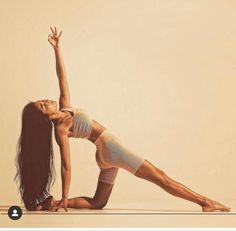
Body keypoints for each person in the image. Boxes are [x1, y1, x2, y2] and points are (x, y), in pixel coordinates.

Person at [15, 27, 230, 212]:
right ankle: (205, 202)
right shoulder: (61, 128)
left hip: (104, 153)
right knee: (160, 176)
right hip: (111, 149)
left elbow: (62, 76)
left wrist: (56, 48)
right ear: (43, 117)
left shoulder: (65, 108)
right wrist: (65, 192)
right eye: (42, 105)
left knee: (98, 202)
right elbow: (66, 166)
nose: (45, 100)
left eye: (42, 100)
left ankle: (53, 204)